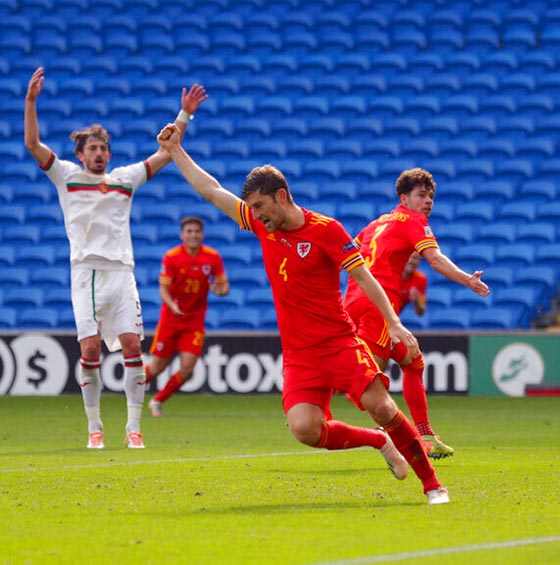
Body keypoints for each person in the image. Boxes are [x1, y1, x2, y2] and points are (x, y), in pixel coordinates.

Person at [155, 124, 450, 505]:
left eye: (260, 206)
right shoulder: (264, 228)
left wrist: (394, 323)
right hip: (299, 354)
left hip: (339, 342)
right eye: (253, 209)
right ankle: (378, 441)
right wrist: (176, 151)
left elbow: (364, 276)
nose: (255, 215)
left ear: (281, 196)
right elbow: (211, 190)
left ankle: (432, 484)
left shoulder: (327, 230)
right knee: (305, 429)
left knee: (381, 405)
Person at [23, 67, 207, 450]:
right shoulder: (66, 176)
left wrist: (184, 115)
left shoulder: (124, 178)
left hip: (122, 273)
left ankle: (133, 427)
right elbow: (33, 144)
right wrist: (30, 101)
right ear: (80, 154)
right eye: (92, 148)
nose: (99, 153)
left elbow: (166, 153)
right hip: (86, 273)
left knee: (131, 346)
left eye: (104, 148)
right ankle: (94, 427)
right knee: (89, 349)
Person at [344, 168, 490, 459]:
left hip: (353, 301)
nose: (428, 201)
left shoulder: (376, 223)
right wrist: (468, 280)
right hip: (378, 304)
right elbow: (434, 259)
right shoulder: (413, 220)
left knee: (412, 359)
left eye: (431, 196)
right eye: (421, 195)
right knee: (367, 378)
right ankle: (391, 436)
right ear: (404, 198)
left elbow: (347, 254)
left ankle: (424, 435)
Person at [145, 216, 230, 417]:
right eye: (189, 231)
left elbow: (223, 286)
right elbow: (163, 290)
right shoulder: (172, 257)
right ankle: (131, 391)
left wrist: (220, 291)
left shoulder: (212, 257)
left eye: (196, 231)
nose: (193, 235)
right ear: (182, 234)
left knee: (188, 368)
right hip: (170, 319)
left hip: (194, 321)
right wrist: (172, 304)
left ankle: (157, 400)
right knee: (157, 367)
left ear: (202, 234)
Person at [399, 252, 427, 317]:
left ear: (419, 261)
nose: (410, 261)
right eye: (408, 257)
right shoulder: (391, 274)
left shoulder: (420, 278)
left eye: (414, 258)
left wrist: (416, 300)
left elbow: (421, 312)